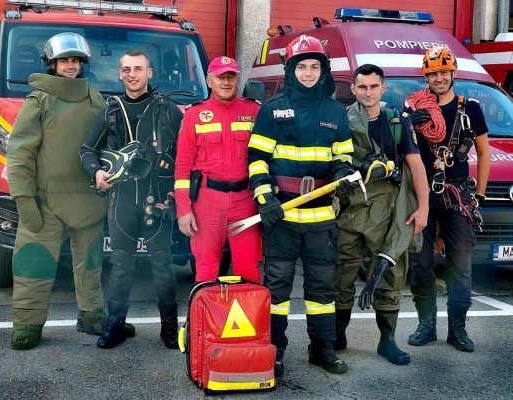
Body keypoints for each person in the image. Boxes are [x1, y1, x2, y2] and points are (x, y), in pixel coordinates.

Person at [247, 35, 355, 377]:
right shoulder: (271, 110)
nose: (308, 73)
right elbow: (257, 160)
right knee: (277, 289)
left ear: (323, 71)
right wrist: (265, 199)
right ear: (290, 70)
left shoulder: (335, 112)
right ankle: (274, 351)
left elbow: (343, 158)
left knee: (322, 288)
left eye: (314, 67)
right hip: (282, 214)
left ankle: (322, 349)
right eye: (302, 67)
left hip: (321, 216)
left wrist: (344, 173)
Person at [7, 32, 108, 350]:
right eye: (64, 61)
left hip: (88, 197)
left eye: (75, 60)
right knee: (33, 263)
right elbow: (20, 153)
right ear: (51, 64)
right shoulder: (39, 99)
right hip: (45, 199)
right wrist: (23, 197)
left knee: (91, 264)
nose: (71, 66)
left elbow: (106, 144)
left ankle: (93, 316)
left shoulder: (95, 97)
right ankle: (27, 324)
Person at [79, 49, 183, 349]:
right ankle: (115, 326)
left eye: (138, 69)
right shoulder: (111, 110)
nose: (132, 74)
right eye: (126, 69)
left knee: (162, 264)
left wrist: (176, 194)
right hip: (121, 200)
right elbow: (86, 149)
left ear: (149, 73)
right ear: (120, 73)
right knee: (121, 264)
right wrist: (97, 172)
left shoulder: (168, 110)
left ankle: (169, 328)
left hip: (158, 201)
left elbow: (187, 156)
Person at [334, 64, 429, 365]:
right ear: (353, 88)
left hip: (388, 206)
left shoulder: (396, 120)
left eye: (374, 86)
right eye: (362, 87)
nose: (368, 93)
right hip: (350, 207)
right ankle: (337, 335)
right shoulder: (342, 119)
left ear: (383, 88)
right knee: (342, 271)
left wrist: (423, 208)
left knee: (390, 274)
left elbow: (415, 165)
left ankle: (387, 341)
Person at [406, 46, 490, 352]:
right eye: (433, 73)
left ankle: (458, 329)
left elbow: (483, 153)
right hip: (422, 194)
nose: (439, 78)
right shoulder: (415, 110)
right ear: (426, 76)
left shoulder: (470, 110)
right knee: (420, 262)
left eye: (443, 72)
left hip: (457, 194)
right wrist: (408, 122)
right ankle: (426, 325)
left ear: (453, 73)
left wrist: (479, 196)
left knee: (460, 266)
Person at [174, 56, 262, 283]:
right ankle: (204, 309)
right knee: (206, 268)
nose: (226, 82)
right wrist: (183, 210)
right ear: (209, 80)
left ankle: (248, 309)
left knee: (248, 268)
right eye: (220, 77)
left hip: (245, 201)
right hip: (207, 202)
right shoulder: (194, 115)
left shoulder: (254, 111)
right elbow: (182, 166)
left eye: (231, 77)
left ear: (237, 80)